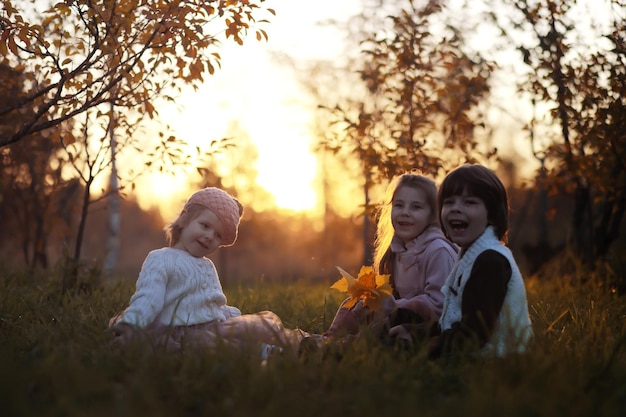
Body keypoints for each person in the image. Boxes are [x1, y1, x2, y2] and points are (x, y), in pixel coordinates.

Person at [108, 187, 307, 355]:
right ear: (185, 219)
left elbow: (210, 301)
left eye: (218, 235)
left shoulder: (207, 265)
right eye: (204, 225)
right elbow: (149, 299)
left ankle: (306, 343)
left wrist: (230, 314)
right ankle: (270, 353)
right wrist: (131, 325)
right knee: (223, 347)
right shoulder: (161, 258)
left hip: (212, 325)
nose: (209, 236)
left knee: (262, 325)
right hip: (180, 332)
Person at [321, 172, 458, 346]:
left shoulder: (438, 250)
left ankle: (348, 347)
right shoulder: (396, 250)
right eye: (399, 205)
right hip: (402, 315)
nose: (405, 213)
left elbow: (439, 305)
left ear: (432, 215)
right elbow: (392, 295)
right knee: (356, 303)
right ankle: (329, 340)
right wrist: (375, 300)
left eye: (416, 207)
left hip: (432, 326)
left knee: (393, 320)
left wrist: (394, 305)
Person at [429, 164, 533, 359]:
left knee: (397, 351)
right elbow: (455, 319)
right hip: (474, 353)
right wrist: (417, 332)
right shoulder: (471, 255)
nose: (456, 209)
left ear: (492, 214)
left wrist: (425, 347)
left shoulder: (491, 261)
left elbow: (473, 336)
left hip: (496, 361)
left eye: (469, 202)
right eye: (449, 202)